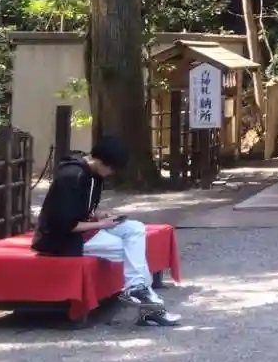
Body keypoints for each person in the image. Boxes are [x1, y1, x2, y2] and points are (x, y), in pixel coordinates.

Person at [32, 136, 179, 327]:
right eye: (111, 168)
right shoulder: (71, 176)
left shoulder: (94, 174)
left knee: (135, 229)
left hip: (84, 229)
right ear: (101, 161)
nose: (111, 173)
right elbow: (64, 225)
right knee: (130, 250)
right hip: (62, 239)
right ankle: (148, 306)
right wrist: (101, 225)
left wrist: (99, 215)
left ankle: (139, 291)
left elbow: (82, 209)